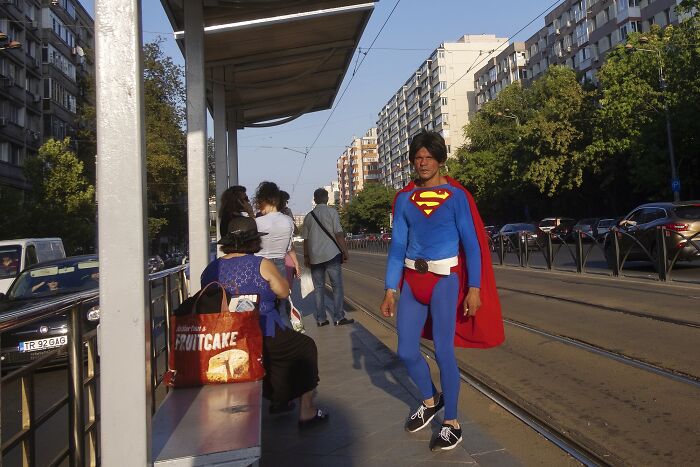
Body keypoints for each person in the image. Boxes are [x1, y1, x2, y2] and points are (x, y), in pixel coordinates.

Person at [379, 131, 504, 451]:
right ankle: (430, 399)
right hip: (413, 281)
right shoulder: (404, 199)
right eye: (418, 158)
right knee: (406, 351)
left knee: (444, 351)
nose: (423, 163)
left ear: (439, 160)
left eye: (429, 157)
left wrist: (473, 289)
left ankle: (452, 422)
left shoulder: (456, 197)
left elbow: (472, 245)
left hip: (445, 281)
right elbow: (397, 248)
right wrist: (390, 289)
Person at [201, 216, 328, 428]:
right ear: (254, 241)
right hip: (262, 332)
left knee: (275, 354)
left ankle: (280, 399)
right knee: (305, 347)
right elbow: (283, 291)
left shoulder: (212, 269)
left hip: (225, 338)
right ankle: (306, 411)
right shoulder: (261, 264)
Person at [302, 188, 354, 327]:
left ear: (315, 199)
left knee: (319, 288)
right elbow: (338, 233)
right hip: (332, 255)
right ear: (326, 199)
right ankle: (338, 317)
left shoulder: (308, 216)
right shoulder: (332, 212)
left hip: (315, 257)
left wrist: (306, 256)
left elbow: (305, 240)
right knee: (337, 287)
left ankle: (321, 319)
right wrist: (345, 250)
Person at [253, 182, 300, 318]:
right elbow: (288, 247)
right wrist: (296, 263)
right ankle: (282, 331)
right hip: (280, 265)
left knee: (262, 305)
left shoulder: (256, 222)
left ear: (264, 200)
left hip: (260, 266)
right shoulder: (288, 222)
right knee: (280, 305)